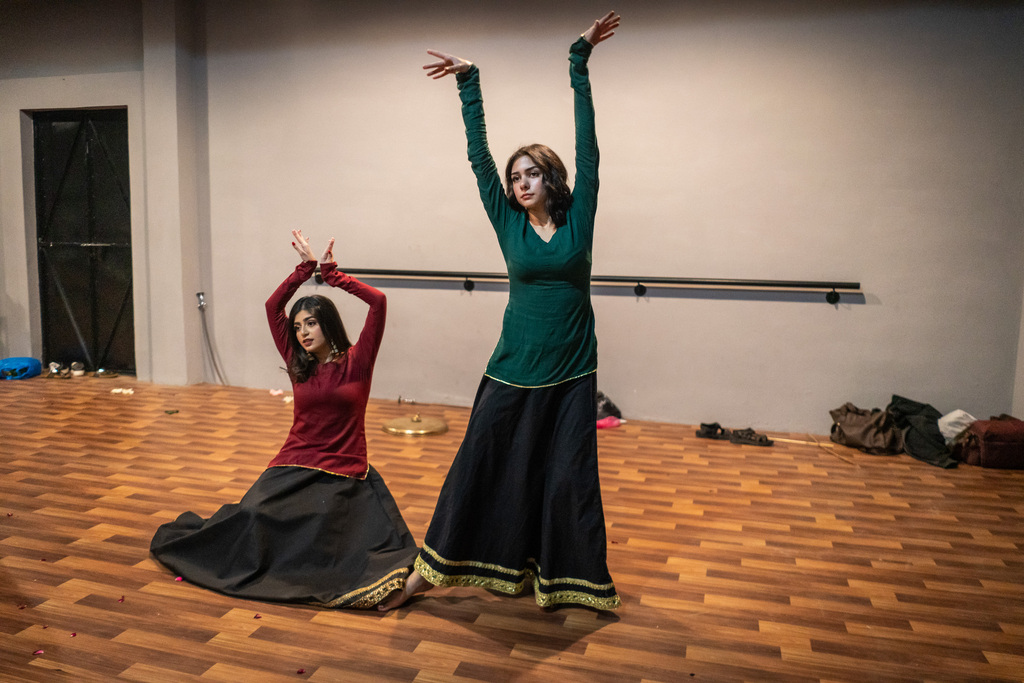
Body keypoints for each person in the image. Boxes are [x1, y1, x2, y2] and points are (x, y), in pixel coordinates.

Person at [380, 11, 622, 612]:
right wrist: (469, 85)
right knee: (479, 466)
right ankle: (426, 574)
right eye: (515, 176)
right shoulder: (507, 219)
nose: (519, 182)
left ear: (551, 179)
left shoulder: (577, 219)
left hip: (570, 370)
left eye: (530, 173)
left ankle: (566, 582)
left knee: (565, 480)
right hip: (513, 364)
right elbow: (478, 159)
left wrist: (579, 63)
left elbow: (589, 149)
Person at [150, 230, 418, 608]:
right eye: (297, 327)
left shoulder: (358, 362)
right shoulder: (298, 363)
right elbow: (273, 306)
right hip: (294, 461)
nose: (303, 332)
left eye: (310, 323)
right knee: (252, 515)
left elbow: (378, 302)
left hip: (343, 468)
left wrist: (331, 275)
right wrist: (303, 269)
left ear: (327, 323)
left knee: (330, 541)